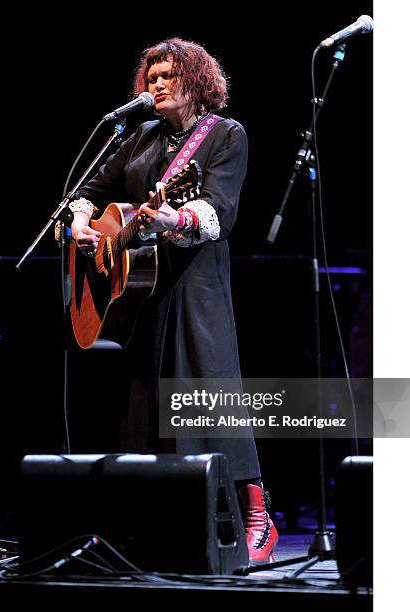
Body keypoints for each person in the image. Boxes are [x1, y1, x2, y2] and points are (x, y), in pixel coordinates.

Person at [68, 38, 278, 564]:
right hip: (140, 292)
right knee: (145, 404)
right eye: (152, 76)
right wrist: (79, 223)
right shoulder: (139, 135)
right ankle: (156, 522)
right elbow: (90, 189)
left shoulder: (225, 136)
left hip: (197, 286)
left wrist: (172, 218)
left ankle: (258, 519)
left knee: (213, 392)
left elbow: (218, 214)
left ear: (197, 81)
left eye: (169, 76)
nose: (156, 84)